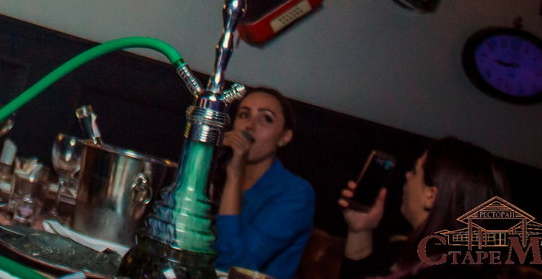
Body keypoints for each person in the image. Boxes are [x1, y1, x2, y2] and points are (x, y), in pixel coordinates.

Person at [338, 136, 510, 278]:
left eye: (415, 171)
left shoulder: (446, 271)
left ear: (430, 196)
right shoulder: (411, 252)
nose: (407, 175)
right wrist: (360, 229)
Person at [213, 86, 315, 279]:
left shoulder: (296, 193)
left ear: (284, 137)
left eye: (266, 118)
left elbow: (234, 266)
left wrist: (234, 176)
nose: (250, 126)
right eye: (244, 115)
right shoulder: (216, 172)